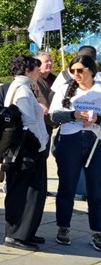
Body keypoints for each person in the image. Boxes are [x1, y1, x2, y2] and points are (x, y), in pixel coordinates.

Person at [48, 54, 101, 251]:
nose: (76, 74)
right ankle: (63, 227)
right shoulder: (65, 88)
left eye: (80, 70)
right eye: (73, 71)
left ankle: (97, 231)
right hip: (70, 140)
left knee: (96, 190)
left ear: (92, 71)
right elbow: (53, 116)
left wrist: (97, 119)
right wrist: (73, 114)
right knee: (67, 186)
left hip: (96, 142)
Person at [1, 55, 50, 250]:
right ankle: (17, 235)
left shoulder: (21, 86)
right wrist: (39, 143)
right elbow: (28, 121)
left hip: (27, 147)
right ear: (27, 70)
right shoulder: (22, 89)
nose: (39, 71)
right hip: (28, 149)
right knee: (26, 192)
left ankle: (25, 231)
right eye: (36, 68)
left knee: (31, 192)